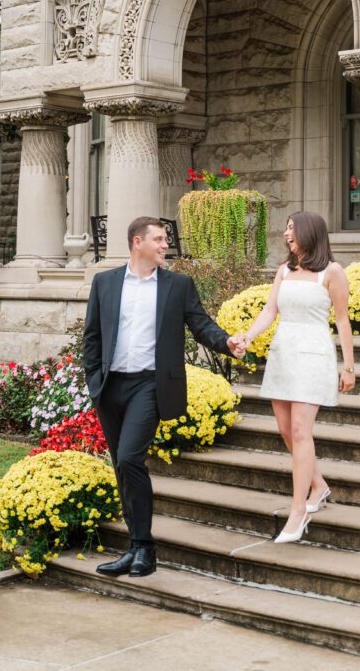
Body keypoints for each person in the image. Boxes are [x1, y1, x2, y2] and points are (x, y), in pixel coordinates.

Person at [83, 216, 244, 578]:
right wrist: (94, 381)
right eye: (157, 239)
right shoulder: (105, 283)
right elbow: (92, 336)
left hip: (150, 386)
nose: (164, 245)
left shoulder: (177, 286)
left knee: (129, 459)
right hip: (111, 388)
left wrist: (227, 342)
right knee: (122, 469)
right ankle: (134, 548)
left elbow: (201, 324)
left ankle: (145, 549)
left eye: (165, 240)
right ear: (137, 242)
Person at [241, 211, 356, 543]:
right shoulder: (284, 271)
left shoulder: (332, 272)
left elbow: (343, 321)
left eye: (292, 228)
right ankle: (318, 485)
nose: (286, 233)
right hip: (283, 354)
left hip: (314, 355)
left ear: (309, 232)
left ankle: (298, 511)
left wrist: (348, 366)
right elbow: (269, 311)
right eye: (287, 228)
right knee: (285, 429)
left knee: (301, 430)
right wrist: (248, 337)